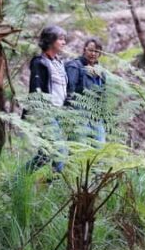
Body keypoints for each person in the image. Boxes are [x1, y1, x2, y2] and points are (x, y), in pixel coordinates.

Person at [26, 25, 68, 172]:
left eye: (64, 39)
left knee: (45, 155)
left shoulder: (59, 62)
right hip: (47, 113)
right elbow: (36, 90)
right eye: (61, 39)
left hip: (59, 113)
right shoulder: (40, 63)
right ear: (50, 41)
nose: (64, 42)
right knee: (59, 150)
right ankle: (54, 186)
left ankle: (13, 183)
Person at [65, 38, 106, 143]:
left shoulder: (100, 71)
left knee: (99, 148)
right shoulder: (74, 66)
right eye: (90, 50)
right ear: (84, 50)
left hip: (96, 115)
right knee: (79, 148)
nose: (93, 54)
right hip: (79, 112)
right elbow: (70, 91)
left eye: (96, 51)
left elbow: (103, 94)